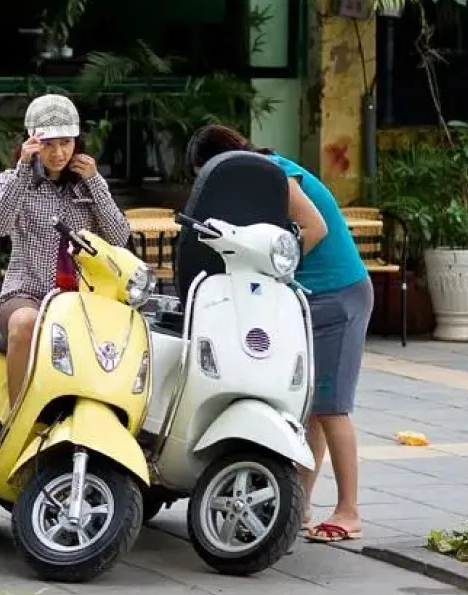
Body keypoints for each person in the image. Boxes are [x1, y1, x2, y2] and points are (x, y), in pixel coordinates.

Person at [185, 124, 373, 544]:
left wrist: (272, 263)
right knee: (310, 406)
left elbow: (315, 228)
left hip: (338, 295)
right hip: (312, 299)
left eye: (205, 174)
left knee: (333, 407)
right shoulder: (257, 179)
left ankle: (349, 511)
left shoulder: (273, 174)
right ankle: (300, 505)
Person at [0, 94, 131, 411]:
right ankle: (17, 416)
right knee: (26, 323)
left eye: (65, 142)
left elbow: (120, 237)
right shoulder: (12, 180)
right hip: (27, 292)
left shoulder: (88, 184)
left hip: (83, 297)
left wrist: (95, 183)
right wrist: (24, 169)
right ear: (33, 142)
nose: (58, 152)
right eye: (49, 143)